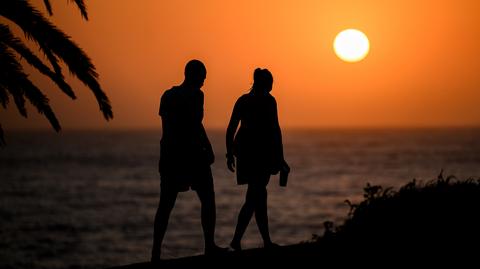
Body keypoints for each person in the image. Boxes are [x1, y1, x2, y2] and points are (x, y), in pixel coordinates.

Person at [151, 59, 225, 262]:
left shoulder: (180, 95)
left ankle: (207, 245)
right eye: (202, 78)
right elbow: (181, 127)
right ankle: (157, 251)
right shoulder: (174, 96)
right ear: (192, 75)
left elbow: (195, 124)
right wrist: (201, 148)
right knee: (169, 203)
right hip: (183, 155)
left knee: (200, 199)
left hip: (184, 154)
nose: (203, 82)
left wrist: (207, 146)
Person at [226, 68, 290, 251]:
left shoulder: (243, 100)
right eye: (270, 82)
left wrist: (229, 152)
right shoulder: (269, 101)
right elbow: (275, 130)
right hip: (258, 153)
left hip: (247, 152)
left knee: (257, 196)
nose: (272, 86)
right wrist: (280, 157)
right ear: (264, 83)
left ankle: (255, 241)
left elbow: (231, 128)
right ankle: (245, 240)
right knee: (257, 195)